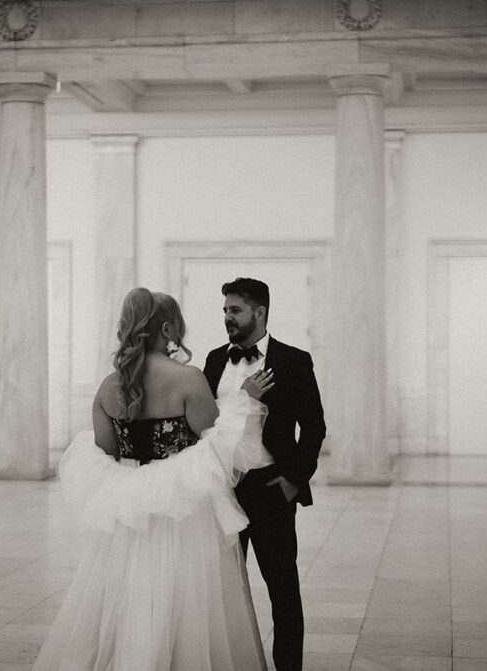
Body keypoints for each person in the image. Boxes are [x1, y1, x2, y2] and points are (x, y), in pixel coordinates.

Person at [34, 288, 276, 671]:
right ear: (167, 328)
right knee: (187, 601)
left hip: (130, 511)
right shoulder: (188, 379)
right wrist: (241, 401)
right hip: (182, 512)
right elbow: (214, 443)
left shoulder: (108, 388)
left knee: (125, 597)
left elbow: (106, 454)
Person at [202, 278, 326, 671]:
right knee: (223, 591)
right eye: (224, 310)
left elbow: (314, 426)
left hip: (271, 488)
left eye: (235, 310)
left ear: (259, 312)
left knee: (283, 589)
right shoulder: (213, 360)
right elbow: (204, 421)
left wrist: (295, 480)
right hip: (224, 490)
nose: (227, 318)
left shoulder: (293, 360)